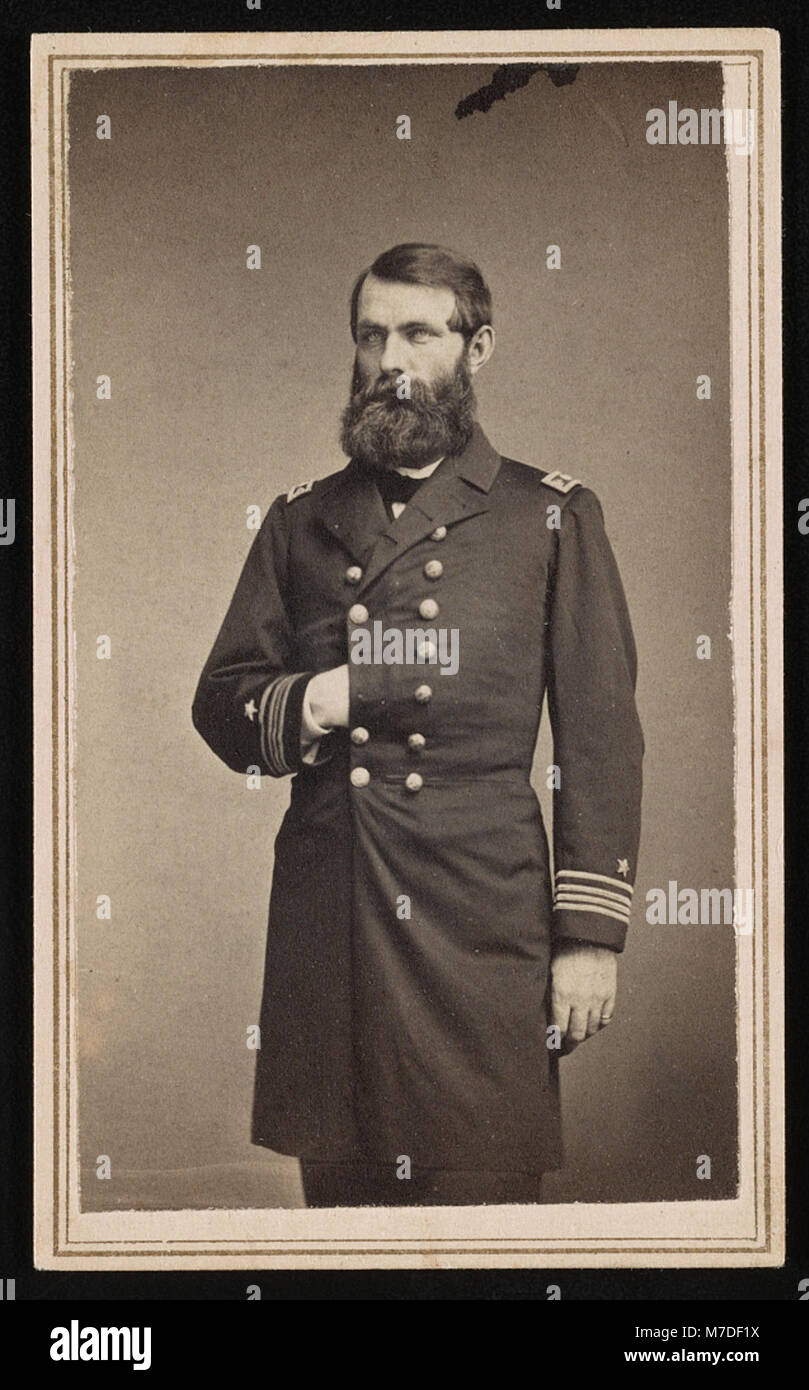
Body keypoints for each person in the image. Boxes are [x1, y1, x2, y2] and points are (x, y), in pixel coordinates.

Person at [192, 243, 644, 1207]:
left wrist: (588, 939)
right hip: (337, 909)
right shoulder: (301, 519)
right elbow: (222, 698)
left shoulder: (549, 517)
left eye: (418, 333)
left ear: (475, 348)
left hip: (477, 918)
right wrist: (325, 696)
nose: (389, 359)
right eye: (370, 335)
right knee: (346, 1218)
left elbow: (600, 739)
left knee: (478, 1223)